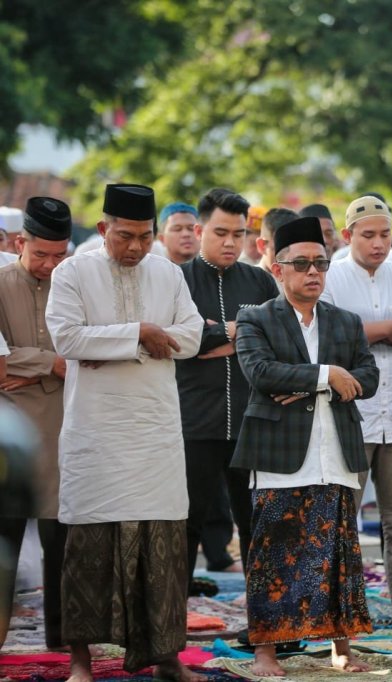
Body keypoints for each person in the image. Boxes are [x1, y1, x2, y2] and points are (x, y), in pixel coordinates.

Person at [45, 183, 203, 681]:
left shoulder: (168, 272)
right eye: (124, 236)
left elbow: (192, 336)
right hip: (96, 432)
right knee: (87, 548)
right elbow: (67, 337)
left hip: (154, 431)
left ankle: (166, 659)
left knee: (163, 545)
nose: (135, 247)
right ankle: (80, 661)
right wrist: (142, 333)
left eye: (144, 236)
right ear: (102, 230)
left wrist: (111, 344)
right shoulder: (73, 272)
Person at [231, 216, 379, 675]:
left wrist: (314, 384)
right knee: (272, 554)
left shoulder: (346, 322)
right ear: (278, 269)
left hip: (334, 453)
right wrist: (327, 376)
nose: (313, 272)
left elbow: (369, 378)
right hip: (279, 456)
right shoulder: (254, 318)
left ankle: (341, 649)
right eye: (301, 264)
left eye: (320, 263)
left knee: (337, 552)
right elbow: (260, 372)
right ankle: (266, 652)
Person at [321, 195, 392, 636]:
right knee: (343, 518)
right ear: (349, 236)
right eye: (368, 235)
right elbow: (329, 337)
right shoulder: (329, 278)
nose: (379, 243)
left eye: (385, 234)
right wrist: (385, 329)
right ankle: (344, 613)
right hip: (352, 416)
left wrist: (379, 333)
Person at [176, 188, 279, 580]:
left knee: (259, 526)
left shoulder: (260, 282)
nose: (230, 242)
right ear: (201, 229)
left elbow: (277, 343)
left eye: (238, 234)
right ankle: (174, 617)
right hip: (194, 423)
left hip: (252, 425)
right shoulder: (177, 280)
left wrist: (218, 336)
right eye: (221, 232)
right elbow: (181, 344)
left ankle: (265, 623)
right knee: (186, 523)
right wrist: (241, 332)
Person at [0, 197, 71, 650]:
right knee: (5, 537)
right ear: (20, 242)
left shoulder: (74, 283)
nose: (49, 264)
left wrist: (21, 364)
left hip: (66, 425)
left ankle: (63, 640)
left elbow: (85, 352)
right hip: (10, 431)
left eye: (59, 255)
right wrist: (50, 362)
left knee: (61, 542)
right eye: (40, 254)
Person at [255, 207, 300, 278]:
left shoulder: (307, 280)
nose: (291, 255)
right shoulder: (247, 283)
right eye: (283, 248)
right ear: (262, 246)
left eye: (297, 247)